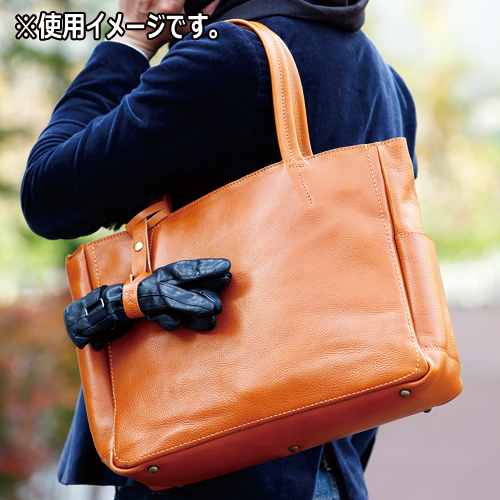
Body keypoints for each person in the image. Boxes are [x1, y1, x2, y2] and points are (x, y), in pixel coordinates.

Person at [21, 0, 418, 498]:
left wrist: (131, 40)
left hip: (208, 462)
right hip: (329, 471)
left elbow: (48, 192)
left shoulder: (227, 55)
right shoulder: (386, 81)